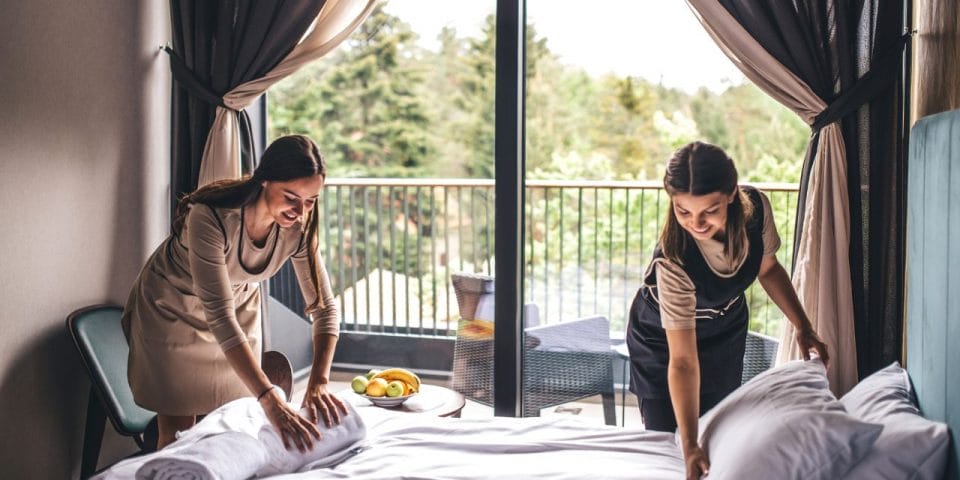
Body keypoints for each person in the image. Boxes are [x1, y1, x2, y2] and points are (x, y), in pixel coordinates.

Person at [121, 134, 346, 452]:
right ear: (265, 181)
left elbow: (325, 308)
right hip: (172, 306)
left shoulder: (297, 229)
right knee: (179, 435)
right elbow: (219, 313)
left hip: (236, 305)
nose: (300, 210)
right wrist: (269, 397)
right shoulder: (210, 216)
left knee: (235, 422)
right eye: (291, 197)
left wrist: (319, 382)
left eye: (310, 200)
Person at [625, 141, 829, 479]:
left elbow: (768, 269)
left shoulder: (757, 210)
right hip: (663, 343)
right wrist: (689, 445)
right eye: (683, 211)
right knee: (672, 447)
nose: (697, 223)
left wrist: (803, 327)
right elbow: (684, 361)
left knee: (719, 434)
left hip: (725, 329)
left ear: (732, 193)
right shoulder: (674, 261)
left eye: (710, 209)